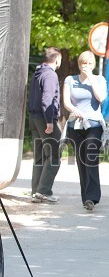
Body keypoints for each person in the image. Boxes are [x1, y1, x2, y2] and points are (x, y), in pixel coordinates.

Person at [62, 51, 107, 211]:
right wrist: (74, 109)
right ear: (79, 64)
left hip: (94, 124)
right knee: (81, 160)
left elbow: (101, 98)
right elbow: (66, 101)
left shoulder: (99, 79)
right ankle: (86, 197)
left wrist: (92, 80)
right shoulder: (70, 80)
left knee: (91, 155)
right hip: (76, 124)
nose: (86, 66)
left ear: (93, 65)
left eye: (89, 63)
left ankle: (93, 196)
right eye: (83, 63)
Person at [28, 47, 62, 203]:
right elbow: (47, 99)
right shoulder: (50, 74)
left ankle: (36, 191)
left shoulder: (37, 73)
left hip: (34, 118)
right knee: (54, 154)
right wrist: (49, 121)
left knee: (40, 156)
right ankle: (44, 191)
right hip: (44, 119)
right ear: (57, 59)